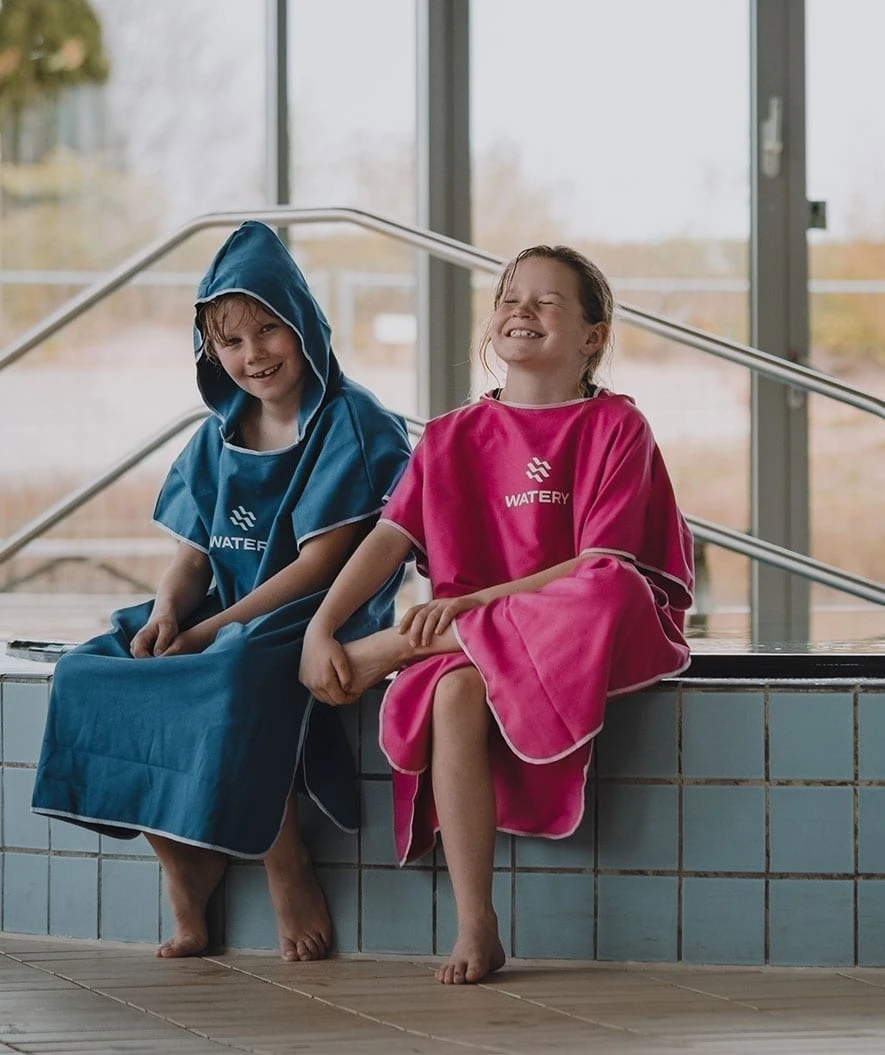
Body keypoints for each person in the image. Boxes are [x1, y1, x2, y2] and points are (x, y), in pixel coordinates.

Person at [299, 244, 694, 985]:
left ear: (592, 336)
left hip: (580, 623)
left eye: (547, 302)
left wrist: (476, 603)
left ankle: (402, 647)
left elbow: (598, 561)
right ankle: (476, 919)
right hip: (476, 644)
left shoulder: (617, 426)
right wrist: (323, 627)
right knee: (453, 695)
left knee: (609, 583)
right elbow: (388, 538)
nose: (521, 311)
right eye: (510, 298)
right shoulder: (450, 435)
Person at [31, 220, 411, 962]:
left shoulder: (354, 423)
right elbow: (193, 556)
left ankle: (281, 854)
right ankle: (182, 857)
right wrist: (169, 613)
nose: (253, 354)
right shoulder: (217, 434)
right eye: (231, 342)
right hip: (225, 606)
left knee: (233, 667)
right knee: (92, 669)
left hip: (315, 611)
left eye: (268, 329)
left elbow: (323, 563)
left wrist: (212, 632)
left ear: (304, 323)